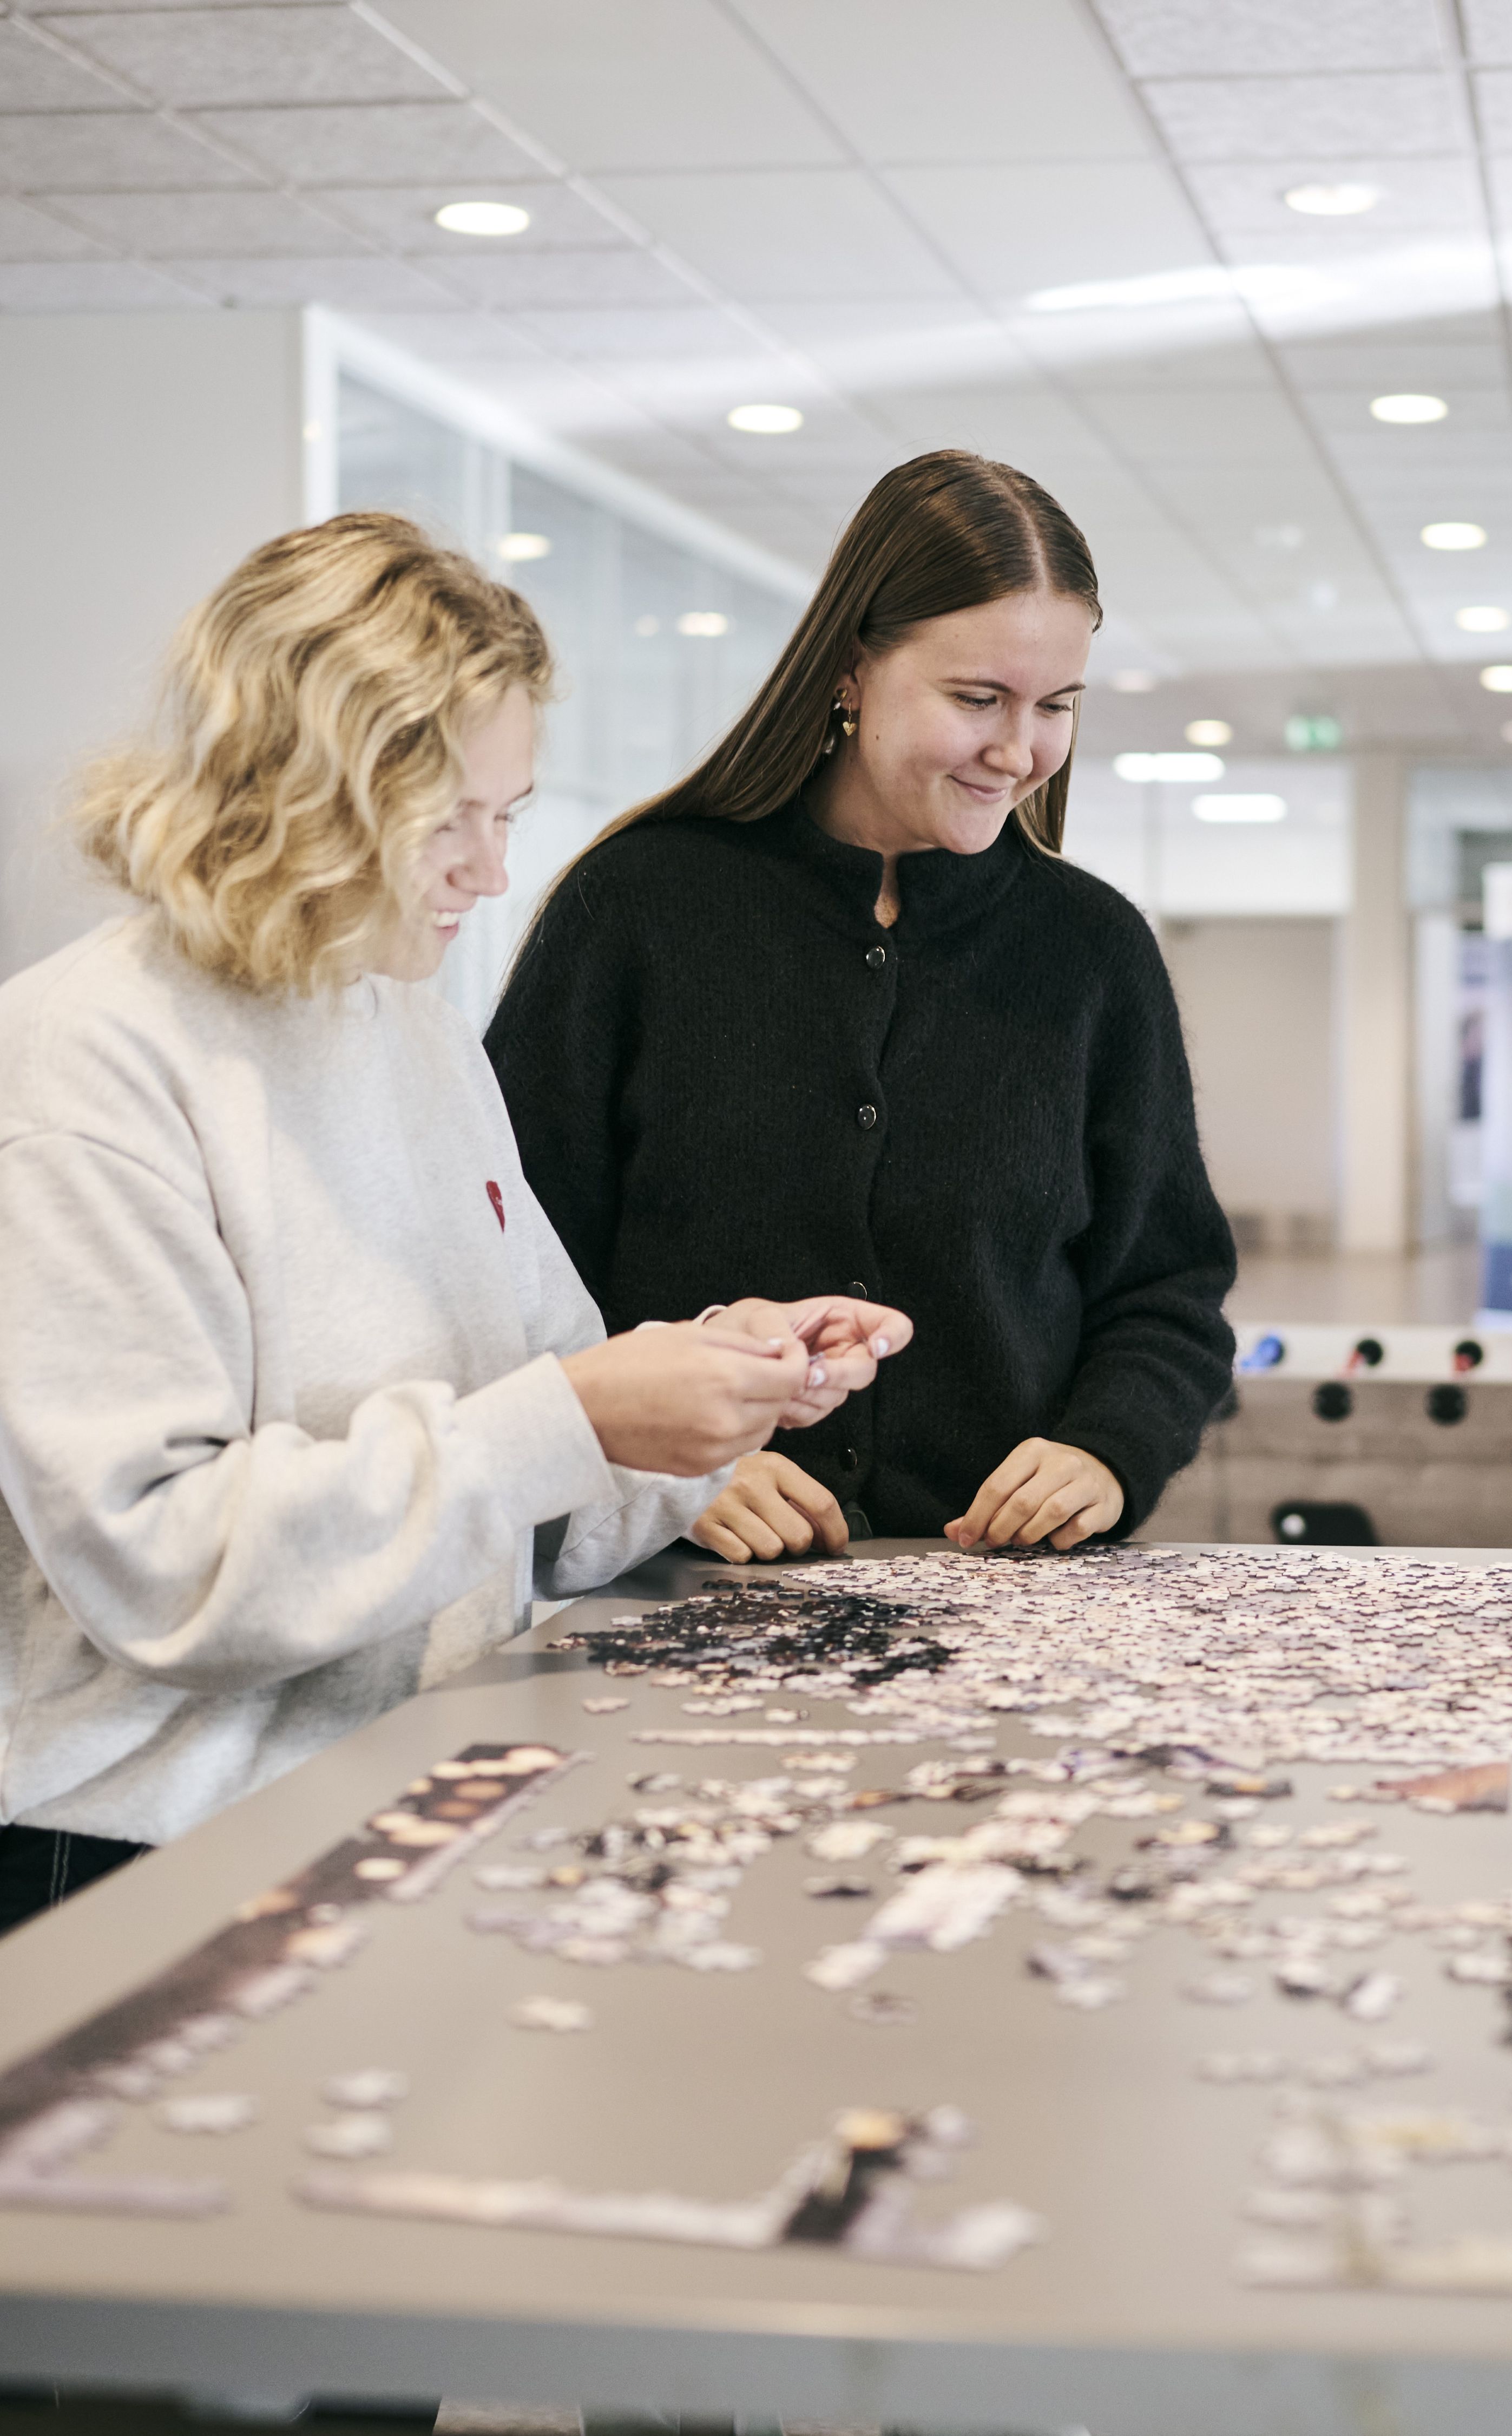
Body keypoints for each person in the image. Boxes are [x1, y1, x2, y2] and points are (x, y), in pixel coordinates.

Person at [0, 512, 907, 1937]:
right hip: (148, 1845)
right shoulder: (85, 1057)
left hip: (413, 1782)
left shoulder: (413, 1027)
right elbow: (167, 1573)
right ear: (302, 788)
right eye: (449, 822)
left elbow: (534, 1459)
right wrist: (568, 1413)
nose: (491, 876)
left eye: (510, 815)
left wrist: (714, 1385)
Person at [487, 450, 1235, 1566]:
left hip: (1012, 1614)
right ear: (848, 670)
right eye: (977, 699)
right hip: (685, 1601)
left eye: (1055, 706)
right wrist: (656, 1470)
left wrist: (1107, 1453)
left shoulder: (1094, 952)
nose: (1019, 751)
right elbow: (505, 1272)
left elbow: (1167, 1291)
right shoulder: (637, 907)